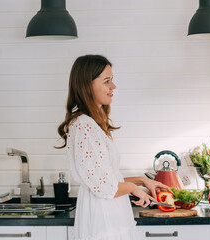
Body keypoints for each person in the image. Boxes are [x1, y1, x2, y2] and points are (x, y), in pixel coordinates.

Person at [55, 55, 171, 240]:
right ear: (87, 85)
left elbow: (104, 177)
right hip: (103, 217)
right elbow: (103, 187)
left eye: (112, 80)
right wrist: (133, 188)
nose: (113, 87)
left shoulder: (91, 124)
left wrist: (142, 180)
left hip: (108, 213)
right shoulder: (84, 125)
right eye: (106, 81)